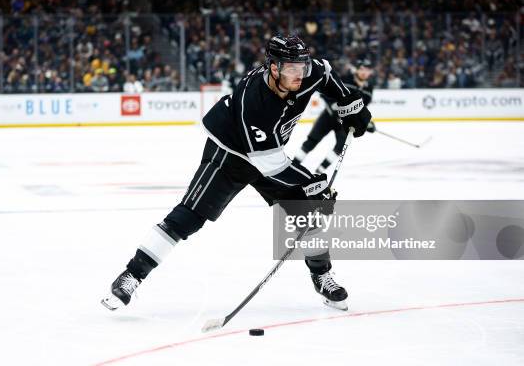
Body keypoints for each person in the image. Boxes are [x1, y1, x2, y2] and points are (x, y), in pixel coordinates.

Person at [102, 35, 372, 312]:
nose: (299, 75)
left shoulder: (306, 71)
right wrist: (310, 185)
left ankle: (321, 275)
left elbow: (326, 73)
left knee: (307, 211)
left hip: (270, 152)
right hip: (231, 154)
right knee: (189, 217)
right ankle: (132, 275)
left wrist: (350, 103)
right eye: (291, 68)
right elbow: (268, 163)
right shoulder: (252, 100)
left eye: (301, 67)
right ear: (274, 68)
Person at [293, 59, 376, 173]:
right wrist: (332, 106)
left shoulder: (369, 89)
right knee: (311, 141)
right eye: (362, 69)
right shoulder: (345, 79)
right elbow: (325, 92)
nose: (364, 72)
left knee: (340, 147)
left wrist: (366, 122)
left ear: (371, 72)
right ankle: (294, 167)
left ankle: (318, 172)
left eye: (367, 70)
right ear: (356, 69)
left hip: (345, 122)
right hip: (328, 117)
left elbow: (362, 107)